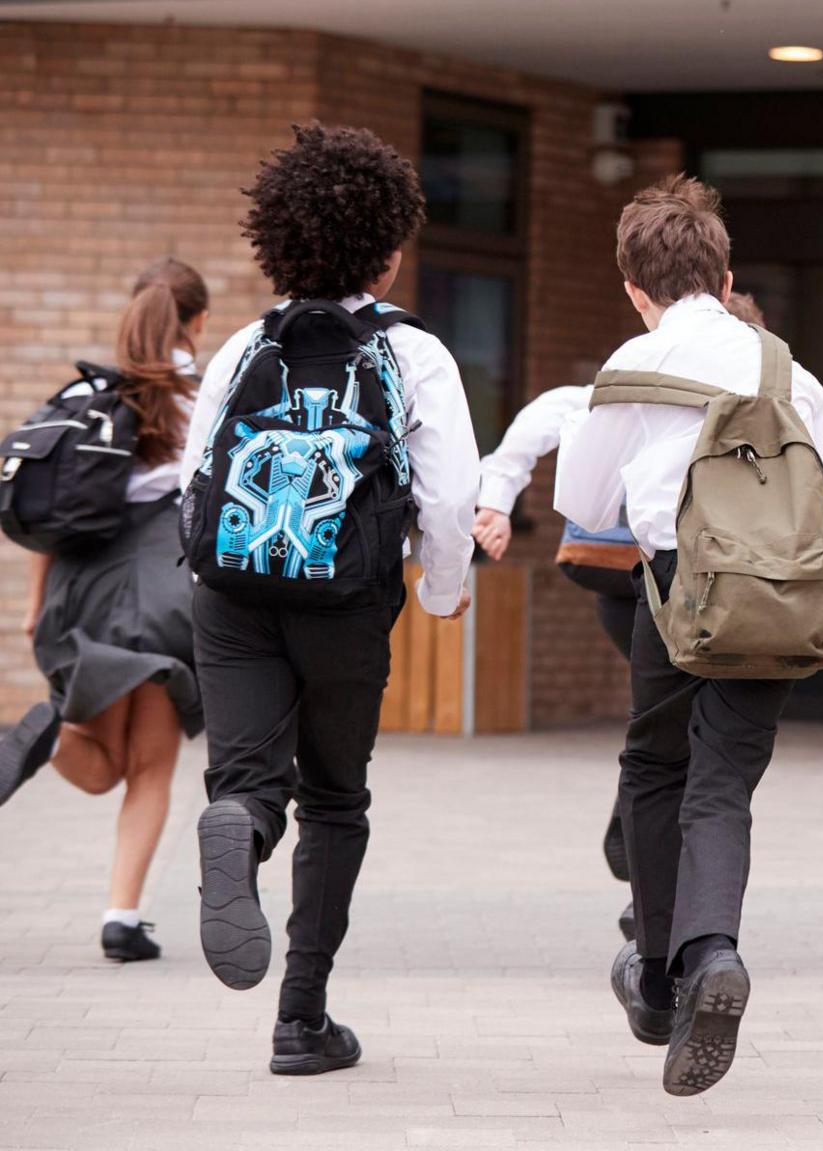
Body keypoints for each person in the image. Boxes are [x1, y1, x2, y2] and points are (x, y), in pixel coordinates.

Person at [179, 123, 480, 1076]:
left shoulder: (241, 347)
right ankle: (301, 1021)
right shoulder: (415, 355)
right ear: (387, 255)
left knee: (247, 775)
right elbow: (451, 493)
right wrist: (441, 592)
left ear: (280, 244)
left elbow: (197, 479)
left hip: (229, 593)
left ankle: (241, 822)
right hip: (344, 598)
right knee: (337, 798)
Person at [555, 176, 823, 1096]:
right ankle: (712, 950)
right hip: (780, 593)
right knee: (722, 783)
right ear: (726, 276)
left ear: (635, 289)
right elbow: (822, 492)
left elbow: (586, 506)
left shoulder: (632, 366)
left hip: (678, 585)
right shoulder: (793, 372)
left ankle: (654, 978)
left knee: (655, 765)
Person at [472, 293, 767, 944]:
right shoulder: (754, 389)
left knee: (665, 733)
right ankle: (653, 877)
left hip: (619, 574)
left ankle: (643, 861)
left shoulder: (626, 382)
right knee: (688, 743)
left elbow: (534, 444)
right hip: (671, 574)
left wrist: (496, 502)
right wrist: (495, 501)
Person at [0, 258, 212, 962]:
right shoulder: (207, 398)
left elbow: (52, 516)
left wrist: (35, 608)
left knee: (99, 761)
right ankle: (122, 916)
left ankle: (45, 733)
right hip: (164, 599)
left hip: (82, 591)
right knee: (147, 767)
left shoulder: (91, 393)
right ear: (199, 321)